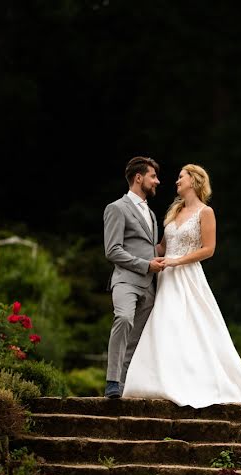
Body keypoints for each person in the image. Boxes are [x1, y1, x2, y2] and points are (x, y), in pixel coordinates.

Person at [122, 164, 241, 407]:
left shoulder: (206, 212)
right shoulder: (174, 212)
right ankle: (158, 381)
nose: (176, 181)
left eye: (181, 177)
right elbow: (161, 247)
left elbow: (208, 249)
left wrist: (177, 260)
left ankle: (192, 381)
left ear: (194, 180)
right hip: (167, 277)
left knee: (189, 325)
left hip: (188, 276)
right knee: (164, 325)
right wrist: (132, 252)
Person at [103, 156, 165, 399]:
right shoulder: (116, 208)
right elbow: (112, 250)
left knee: (136, 339)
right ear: (139, 177)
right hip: (126, 281)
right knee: (124, 319)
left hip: (150, 287)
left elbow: (153, 249)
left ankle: (122, 386)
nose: (157, 181)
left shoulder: (150, 213)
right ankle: (111, 381)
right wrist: (145, 265)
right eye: (153, 176)